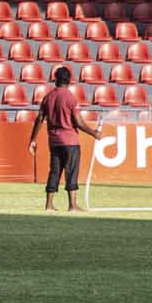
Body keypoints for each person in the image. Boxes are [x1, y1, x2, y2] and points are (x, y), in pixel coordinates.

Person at [29, 66, 102, 212]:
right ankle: (72, 205)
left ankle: (49, 205)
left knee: (54, 172)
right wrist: (93, 133)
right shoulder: (70, 97)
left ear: (55, 79)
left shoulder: (48, 97)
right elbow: (78, 122)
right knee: (71, 171)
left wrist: (33, 139)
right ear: (69, 80)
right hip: (70, 141)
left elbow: (40, 118)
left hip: (54, 141)